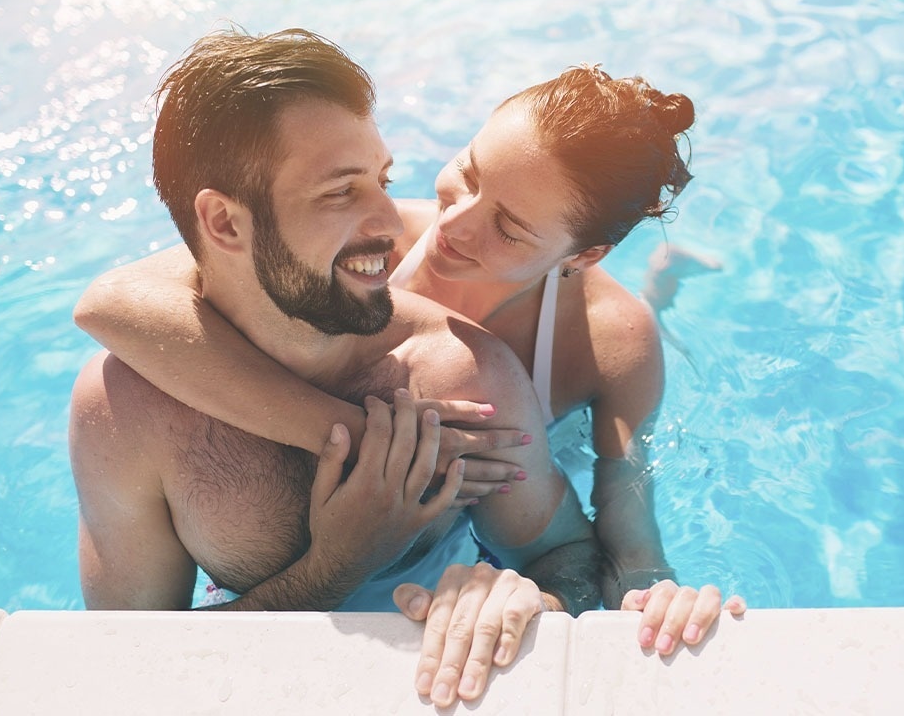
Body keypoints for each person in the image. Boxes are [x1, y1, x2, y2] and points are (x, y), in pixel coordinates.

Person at [75, 40, 746, 654]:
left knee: (635, 321)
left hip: (531, 433)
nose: (440, 222)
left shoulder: (505, 365)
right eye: (469, 174)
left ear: (585, 253)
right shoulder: (359, 252)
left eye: (509, 228)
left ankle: (664, 280)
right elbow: (108, 304)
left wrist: (635, 594)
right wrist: (364, 444)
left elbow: (609, 543)